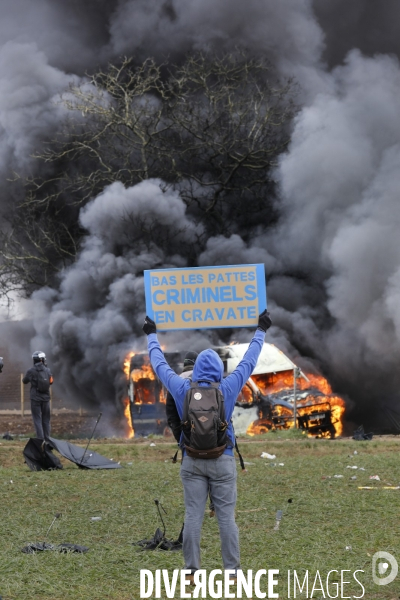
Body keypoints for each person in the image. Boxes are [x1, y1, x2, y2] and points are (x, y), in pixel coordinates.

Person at [143, 309, 272, 579]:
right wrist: (261, 330)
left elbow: (159, 363)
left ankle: (191, 571)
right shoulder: (228, 386)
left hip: (192, 461)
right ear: (218, 370)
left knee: (193, 517)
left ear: (196, 369)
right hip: (223, 459)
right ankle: (233, 572)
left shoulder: (181, 388)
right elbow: (250, 359)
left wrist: (151, 334)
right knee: (226, 519)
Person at [22, 351, 53, 442]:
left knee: (37, 419)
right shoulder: (48, 370)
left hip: (35, 398)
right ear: (42, 360)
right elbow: (51, 381)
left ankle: (40, 440)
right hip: (46, 398)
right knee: (46, 420)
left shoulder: (31, 371)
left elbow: (24, 381)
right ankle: (47, 439)